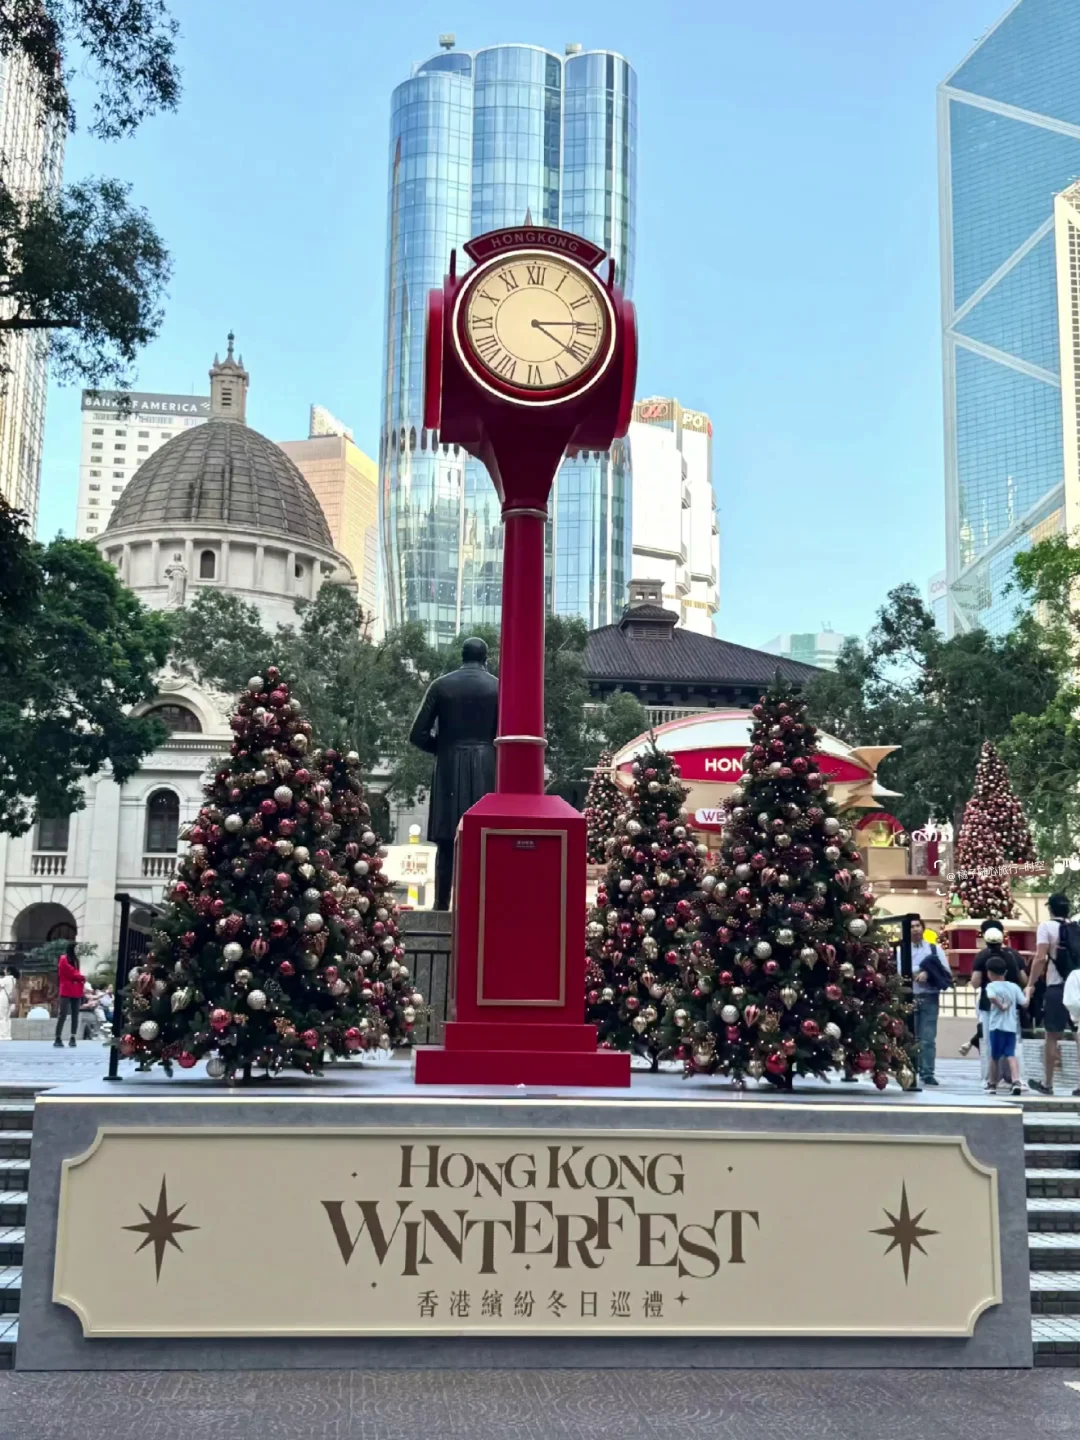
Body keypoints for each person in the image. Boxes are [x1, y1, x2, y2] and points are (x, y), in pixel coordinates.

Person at [408, 637, 499, 910]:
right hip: (486, 765)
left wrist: (443, 748)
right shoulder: (499, 687)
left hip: (448, 765)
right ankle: (482, 905)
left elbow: (417, 734)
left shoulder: (441, 685)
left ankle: (440, 904)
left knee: (446, 842)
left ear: (462, 656)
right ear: (486, 658)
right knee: (484, 841)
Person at [1026, 893, 1078, 1097]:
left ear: (1050, 909)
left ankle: (1047, 1084)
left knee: (1051, 1036)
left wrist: (1031, 984)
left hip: (1057, 987)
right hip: (1078, 985)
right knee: (1078, 1034)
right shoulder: (1077, 927)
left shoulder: (1046, 927)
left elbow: (1040, 958)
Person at [969, 923, 1028, 1082]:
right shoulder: (1013, 955)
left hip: (989, 1006)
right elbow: (1024, 979)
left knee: (991, 1042)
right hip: (1011, 1007)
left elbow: (975, 982)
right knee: (1013, 1041)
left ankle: (992, 1079)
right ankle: (1015, 1077)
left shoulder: (981, 956)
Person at [898, 918, 953, 1086]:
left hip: (929, 996)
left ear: (922, 928)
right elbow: (900, 971)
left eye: (917, 926)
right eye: (911, 927)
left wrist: (928, 974)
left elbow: (946, 971)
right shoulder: (902, 950)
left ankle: (928, 1072)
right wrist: (921, 970)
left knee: (928, 1037)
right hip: (909, 996)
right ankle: (911, 1069)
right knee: (910, 1037)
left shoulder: (934, 949)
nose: (915, 929)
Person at [984, 956, 1028, 1095]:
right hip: (1011, 1026)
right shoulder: (1014, 987)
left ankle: (992, 1084)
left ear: (989, 973)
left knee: (995, 1056)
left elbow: (991, 997)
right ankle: (1016, 1081)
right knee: (1010, 1054)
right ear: (1005, 972)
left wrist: (1001, 1006)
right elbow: (1024, 1003)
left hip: (996, 1026)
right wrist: (1028, 991)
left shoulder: (991, 986)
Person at [54, 939, 85, 1047]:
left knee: (75, 1015)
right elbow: (69, 972)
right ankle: (58, 1037)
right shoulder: (63, 958)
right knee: (62, 1014)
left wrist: (79, 978)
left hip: (76, 989)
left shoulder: (76, 960)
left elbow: (75, 972)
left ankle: (73, 1037)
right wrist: (81, 977)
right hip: (66, 989)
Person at [0, 964, 17, 1041]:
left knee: (2, 1017)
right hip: (10, 1000)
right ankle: (8, 1035)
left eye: (5, 970)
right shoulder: (14, 979)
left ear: (9, 972)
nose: (4, 971)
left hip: (3, 999)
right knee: (7, 1018)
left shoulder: (5, 979)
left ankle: (2, 1035)